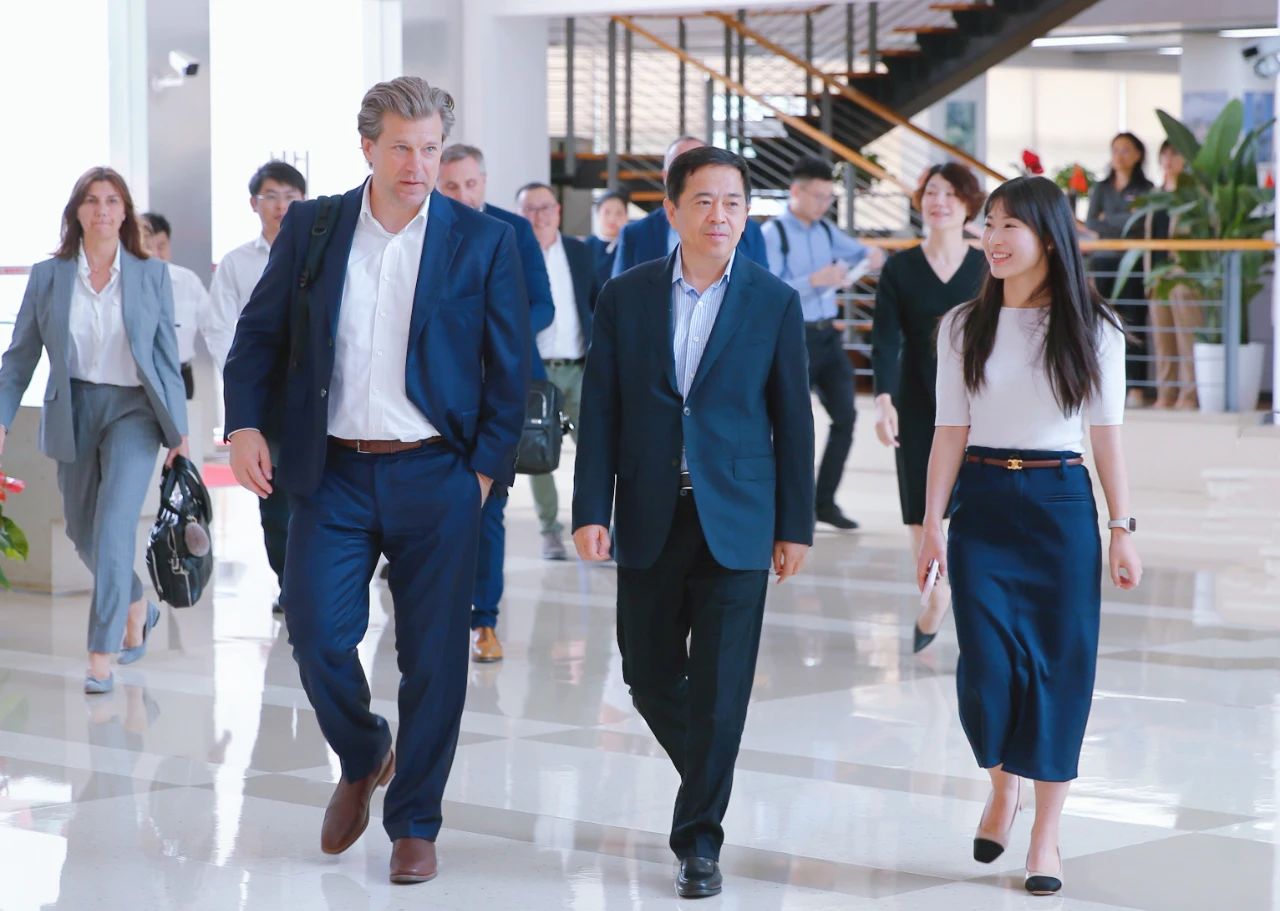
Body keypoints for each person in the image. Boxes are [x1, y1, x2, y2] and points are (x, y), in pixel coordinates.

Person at [223, 77, 529, 885]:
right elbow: (258, 337)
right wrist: (245, 424)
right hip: (333, 471)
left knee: (433, 657)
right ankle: (365, 751)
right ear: (367, 148)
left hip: (438, 471)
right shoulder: (315, 227)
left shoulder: (483, 240)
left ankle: (415, 822)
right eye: (401, 147)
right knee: (317, 632)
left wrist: (482, 476)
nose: (417, 164)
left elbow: (511, 372)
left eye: (430, 148)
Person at [573, 146, 815, 899]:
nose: (720, 215)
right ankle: (714, 767)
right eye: (704, 201)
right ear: (672, 210)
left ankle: (699, 842)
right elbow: (600, 409)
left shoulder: (773, 301)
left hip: (739, 518)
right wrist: (590, 509)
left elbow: (793, 420)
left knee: (720, 688)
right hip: (651, 512)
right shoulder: (627, 295)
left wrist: (796, 525)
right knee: (646, 675)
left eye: (733, 202)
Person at [917, 176, 1142, 896]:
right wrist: (931, 524)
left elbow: (1106, 438)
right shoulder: (962, 326)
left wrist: (1121, 528)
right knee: (985, 667)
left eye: (1009, 225)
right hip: (982, 503)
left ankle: (1046, 833)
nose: (993, 238)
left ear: (1048, 236)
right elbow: (947, 432)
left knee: (1058, 668)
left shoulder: (1097, 329)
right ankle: (1001, 784)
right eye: (989, 224)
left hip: (1060, 503)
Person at [0, 167, 188, 694]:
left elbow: (165, 357)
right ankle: (137, 602)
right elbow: (19, 357)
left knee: (113, 528)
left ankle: (101, 654)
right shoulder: (48, 276)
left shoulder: (150, 275)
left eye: (112, 201)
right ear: (76, 212)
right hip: (74, 407)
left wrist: (179, 431)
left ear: (125, 212)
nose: (102, 210)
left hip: (135, 412)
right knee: (82, 531)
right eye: (91, 200)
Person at [437, 143, 554, 662]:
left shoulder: (513, 230)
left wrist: (494, 332)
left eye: (470, 184)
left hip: (499, 389)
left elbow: (543, 305)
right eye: (451, 186)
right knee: (433, 509)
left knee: (489, 507)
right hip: (436, 392)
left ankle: (484, 620)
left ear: (484, 181)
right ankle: (433, 613)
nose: (463, 194)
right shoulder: (424, 228)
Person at [871, 163, 987, 652]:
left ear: (968, 205)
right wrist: (883, 399)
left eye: (951, 195)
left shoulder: (986, 265)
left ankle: (964, 593)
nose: (939, 202)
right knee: (921, 505)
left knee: (973, 501)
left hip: (978, 401)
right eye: (932, 193)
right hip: (918, 399)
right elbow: (884, 338)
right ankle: (936, 595)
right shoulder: (900, 268)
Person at [762, 155, 884, 530]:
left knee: (846, 417)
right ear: (796, 192)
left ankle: (824, 502)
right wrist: (814, 281)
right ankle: (786, 508)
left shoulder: (826, 231)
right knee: (792, 424)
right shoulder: (773, 234)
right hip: (793, 337)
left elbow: (861, 253)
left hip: (828, 336)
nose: (824, 204)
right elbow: (768, 289)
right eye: (818, 196)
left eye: (829, 197)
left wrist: (872, 255)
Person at [207, 160, 307, 615]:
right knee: (275, 499)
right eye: (271, 196)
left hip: (313, 394)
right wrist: (244, 384)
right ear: (254, 203)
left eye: (290, 196)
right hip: (265, 399)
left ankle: (316, 586)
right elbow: (220, 329)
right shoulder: (237, 264)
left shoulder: (318, 252)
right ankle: (289, 584)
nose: (281, 205)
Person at [515, 181, 599, 560]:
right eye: (530, 209)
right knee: (538, 451)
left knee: (593, 451)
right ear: (520, 215)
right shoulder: (513, 254)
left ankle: (596, 524)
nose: (539, 216)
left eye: (545, 207)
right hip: (536, 372)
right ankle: (550, 531)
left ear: (558, 211)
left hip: (579, 368)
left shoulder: (579, 252)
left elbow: (597, 301)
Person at [612, 136, 768, 277]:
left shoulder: (751, 232)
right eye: (681, 170)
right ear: (666, 177)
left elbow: (761, 288)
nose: (718, 217)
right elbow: (621, 293)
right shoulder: (635, 234)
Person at [1085, 132, 1154, 407]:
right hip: (1103, 261)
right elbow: (1091, 222)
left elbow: (1140, 223)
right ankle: (1104, 385)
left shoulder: (1146, 189)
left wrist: (1108, 220)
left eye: (1125, 150)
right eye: (1115, 150)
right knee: (1103, 322)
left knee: (1133, 321)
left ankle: (1136, 387)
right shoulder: (1101, 188)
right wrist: (1121, 221)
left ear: (1138, 154)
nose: (1119, 155)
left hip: (1133, 263)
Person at [1146, 141, 1199, 409]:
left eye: (1174, 153)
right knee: (1162, 340)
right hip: (1157, 275)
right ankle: (1165, 393)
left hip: (1183, 277)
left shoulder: (1194, 195)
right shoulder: (1155, 195)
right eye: (1164, 154)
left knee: (1186, 337)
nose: (1168, 159)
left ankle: (1189, 394)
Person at [140, 213, 214, 400]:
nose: (156, 254)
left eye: (161, 246)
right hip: (140, 379)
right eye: (148, 247)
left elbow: (213, 327)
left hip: (180, 374)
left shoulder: (188, 281)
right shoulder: (126, 283)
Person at [583, 189, 628, 289]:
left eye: (619, 213)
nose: (612, 218)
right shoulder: (586, 246)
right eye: (607, 212)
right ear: (598, 213)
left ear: (626, 216)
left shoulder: (630, 245)